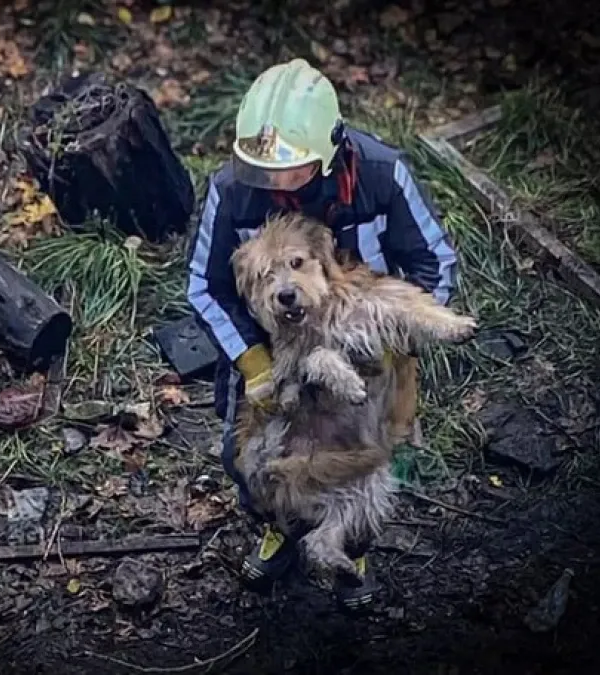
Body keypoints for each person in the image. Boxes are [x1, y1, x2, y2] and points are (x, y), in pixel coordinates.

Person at [186, 59, 459, 612]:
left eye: (291, 170)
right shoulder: (231, 190)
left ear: (329, 148)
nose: (274, 183)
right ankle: (280, 528)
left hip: (370, 347)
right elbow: (203, 286)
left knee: (368, 456)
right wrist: (253, 364)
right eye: (263, 169)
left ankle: (351, 549)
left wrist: (398, 339)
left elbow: (436, 262)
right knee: (249, 457)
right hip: (274, 351)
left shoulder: (381, 174)